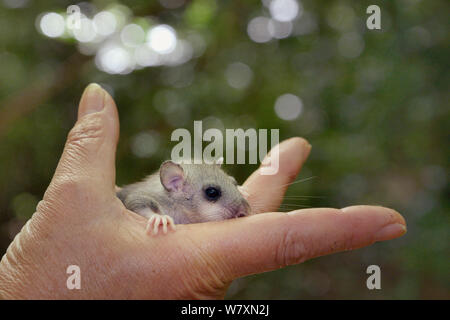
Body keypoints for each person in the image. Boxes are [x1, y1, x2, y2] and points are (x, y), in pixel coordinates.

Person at [0, 84, 406, 299]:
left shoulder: (200, 199)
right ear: (176, 185)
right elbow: (135, 205)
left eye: (229, 192)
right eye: (214, 195)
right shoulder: (158, 198)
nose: (232, 205)